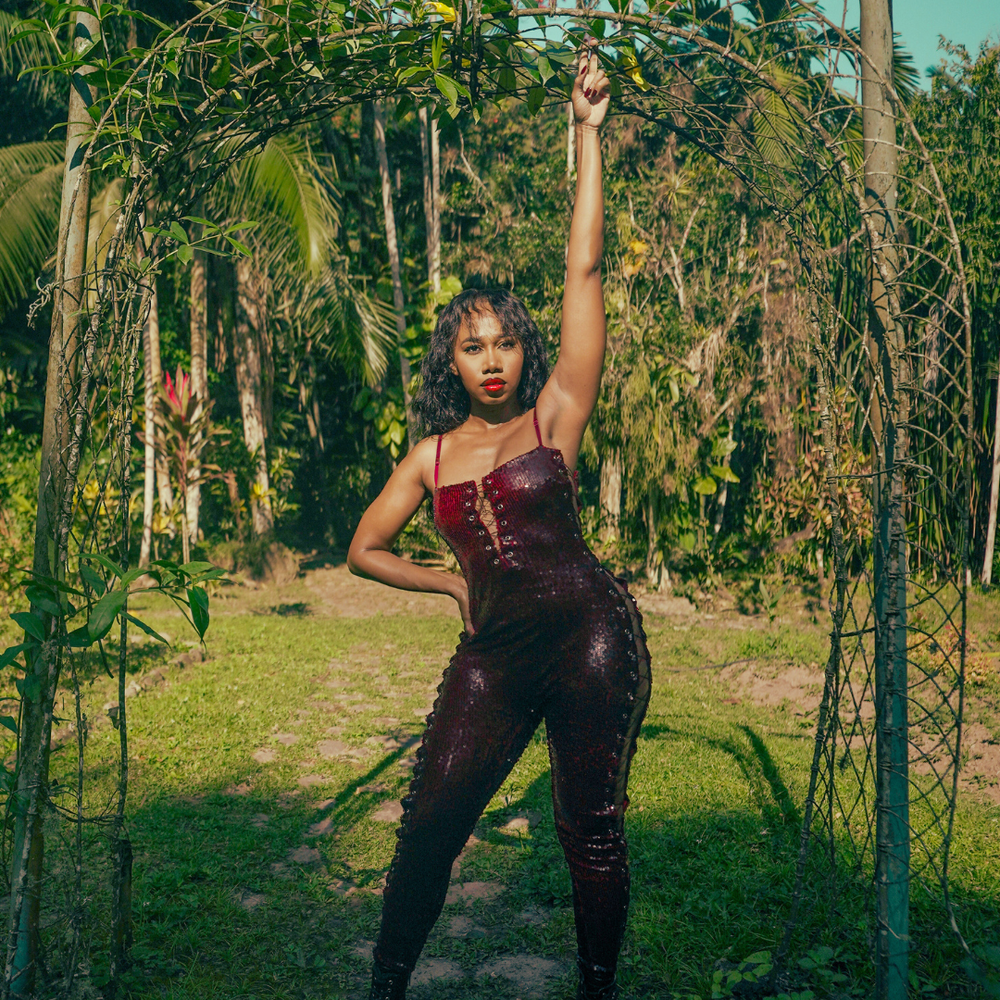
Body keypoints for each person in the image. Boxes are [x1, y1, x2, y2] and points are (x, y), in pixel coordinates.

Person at [347, 49, 651, 1000]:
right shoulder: (429, 457)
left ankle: (596, 990)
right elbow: (362, 549)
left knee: (589, 826)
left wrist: (588, 135)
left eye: (505, 342)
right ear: (452, 358)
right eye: (472, 347)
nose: (491, 360)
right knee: (431, 822)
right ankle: (385, 986)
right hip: (496, 654)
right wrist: (446, 582)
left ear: (526, 351)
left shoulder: (555, 414)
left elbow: (585, 263)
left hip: (590, 635)